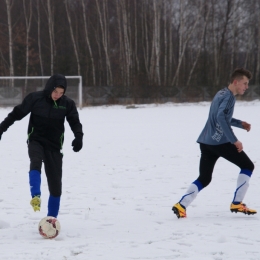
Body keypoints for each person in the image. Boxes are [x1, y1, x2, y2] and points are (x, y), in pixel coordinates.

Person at [172, 68, 256, 218]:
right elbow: (220, 118)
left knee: (204, 178)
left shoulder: (221, 93)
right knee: (247, 166)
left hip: (206, 142)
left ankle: (181, 205)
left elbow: (222, 117)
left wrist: (239, 123)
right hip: (220, 143)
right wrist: (234, 140)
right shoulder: (230, 97)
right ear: (235, 82)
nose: (246, 87)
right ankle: (237, 203)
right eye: (245, 83)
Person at [0, 74, 83, 218]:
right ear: (50, 88)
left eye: (61, 93)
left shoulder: (67, 104)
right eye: (56, 91)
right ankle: (36, 196)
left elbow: (74, 121)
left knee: (56, 186)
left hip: (54, 146)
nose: (58, 95)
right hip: (36, 140)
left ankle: (51, 220)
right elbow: (16, 114)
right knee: (36, 162)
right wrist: (1, 128)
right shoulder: (35, 98)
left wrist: (78, 136)